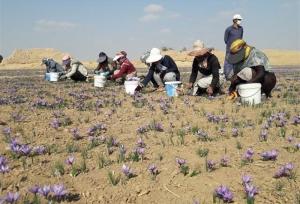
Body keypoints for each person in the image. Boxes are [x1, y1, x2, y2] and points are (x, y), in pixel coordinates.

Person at [224, 14, 244, 80]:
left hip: (238, 51)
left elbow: (240, 39)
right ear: (234, 20)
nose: (240, 21)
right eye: (239, 19)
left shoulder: (241, 29)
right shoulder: (228, 29)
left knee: (237, 65)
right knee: (228, 66)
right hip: (229, 51)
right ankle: (228, 79)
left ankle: (236, 79)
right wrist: (231, 46)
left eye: (240, 20)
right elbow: (225, 40)